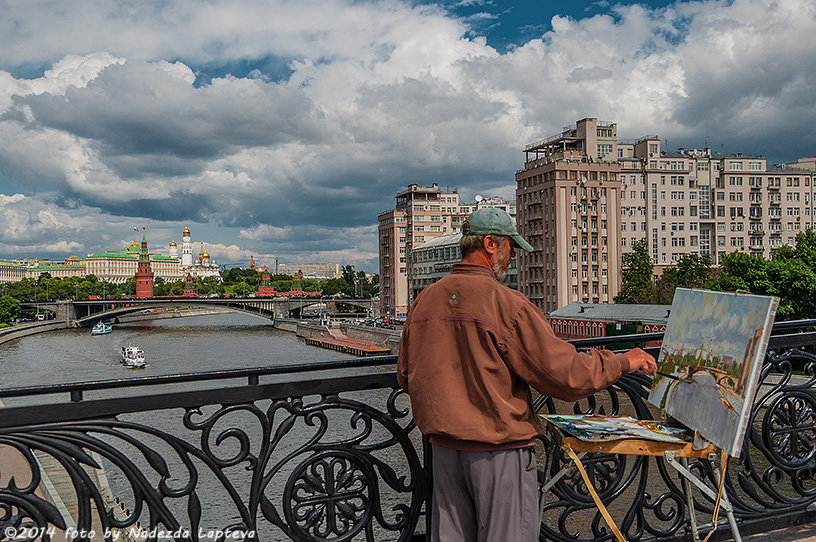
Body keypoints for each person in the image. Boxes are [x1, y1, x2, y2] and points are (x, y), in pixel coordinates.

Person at [397, 207, 656, 542]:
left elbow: (405, 375)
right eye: (510, 247)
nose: (513, 256)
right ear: (490, 244)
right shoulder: (506, 303)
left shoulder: (425, 299)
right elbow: (566, 376)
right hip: (497, 453)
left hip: (444, 453)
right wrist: (622, 362)